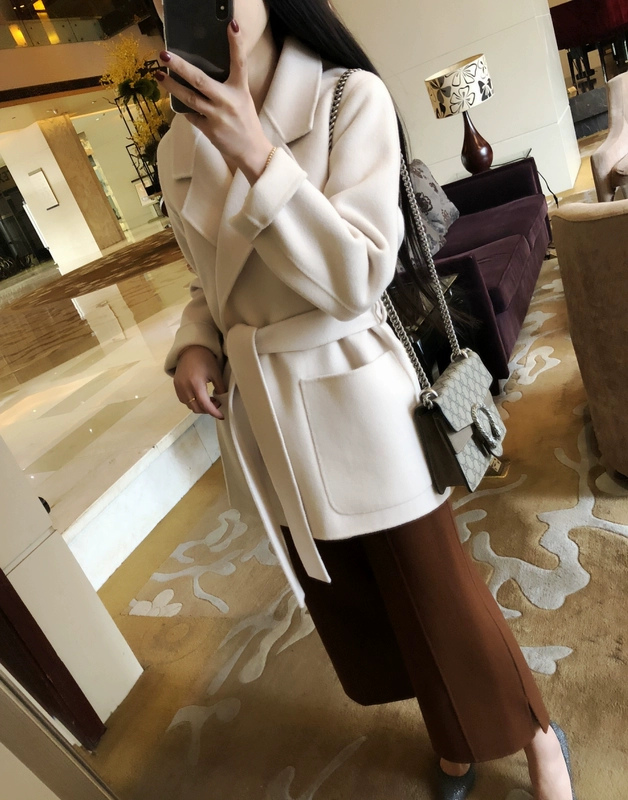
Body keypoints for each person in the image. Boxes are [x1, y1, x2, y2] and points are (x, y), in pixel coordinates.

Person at [153, 1, 576, 797]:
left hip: (355, 398)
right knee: (371, 610)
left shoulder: (347, 97)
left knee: (438, 595)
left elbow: (358, 276)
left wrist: (258, 156)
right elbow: (207, 279)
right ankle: (453, 735)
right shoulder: (177, 144)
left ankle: (536, 734)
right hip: (272, 419)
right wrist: (197, 342)